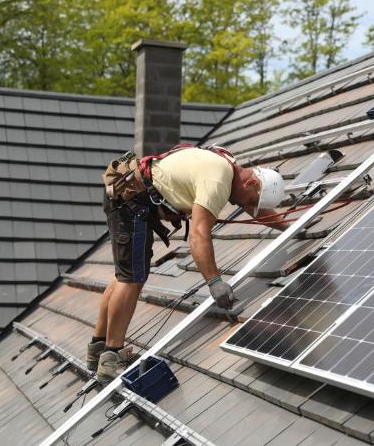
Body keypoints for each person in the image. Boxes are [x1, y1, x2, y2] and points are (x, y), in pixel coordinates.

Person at [88, 145, 288, 382]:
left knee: (125, 274)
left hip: (127, 193)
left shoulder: (228, 166)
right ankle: (112, 358)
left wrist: (289, 226)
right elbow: (198, 235)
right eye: (252, 201)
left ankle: (97, 348)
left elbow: (256, 209)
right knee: (131, 278)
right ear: (251, 183)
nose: (245, 207)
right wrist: (214, 282)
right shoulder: (218, 181)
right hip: (132, 201)